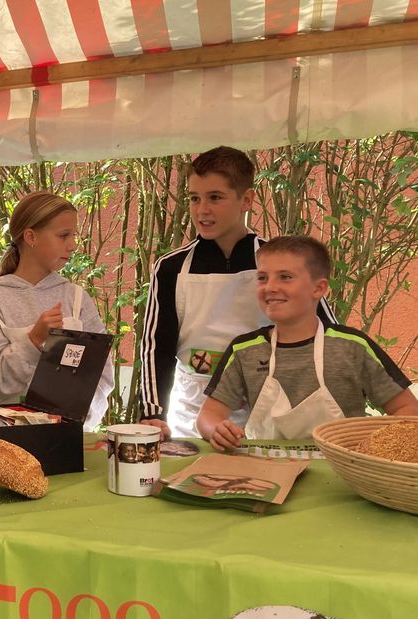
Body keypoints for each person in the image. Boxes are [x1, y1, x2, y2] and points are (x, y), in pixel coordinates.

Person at [138, 146, 336, 438]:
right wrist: (152, 413)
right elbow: (156, 347)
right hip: (192, 417)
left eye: (215, 197)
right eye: (194, 198)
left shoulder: (277, 262)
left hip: (269, 412)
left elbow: (326, 334)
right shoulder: (171, 267)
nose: (202, 210)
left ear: (246, 199)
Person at [197, 236, 418, 450]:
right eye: (263, 278)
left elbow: (407, 409)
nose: (270, 287)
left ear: (319, 288)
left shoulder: (353, 347)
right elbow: (208, 416)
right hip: (265, 472)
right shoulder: (244, 350)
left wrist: (374, 445)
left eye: (285, 277)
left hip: (344, 475)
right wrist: (216, 429)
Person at [0, 191, 116, 431]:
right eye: (63, 236)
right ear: (30, 237)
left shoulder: (77, 298)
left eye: (73, 235)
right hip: (16, 441)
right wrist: (33, 340)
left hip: (74, 435)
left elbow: (103, 372)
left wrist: (81, 421)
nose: (72, 245)